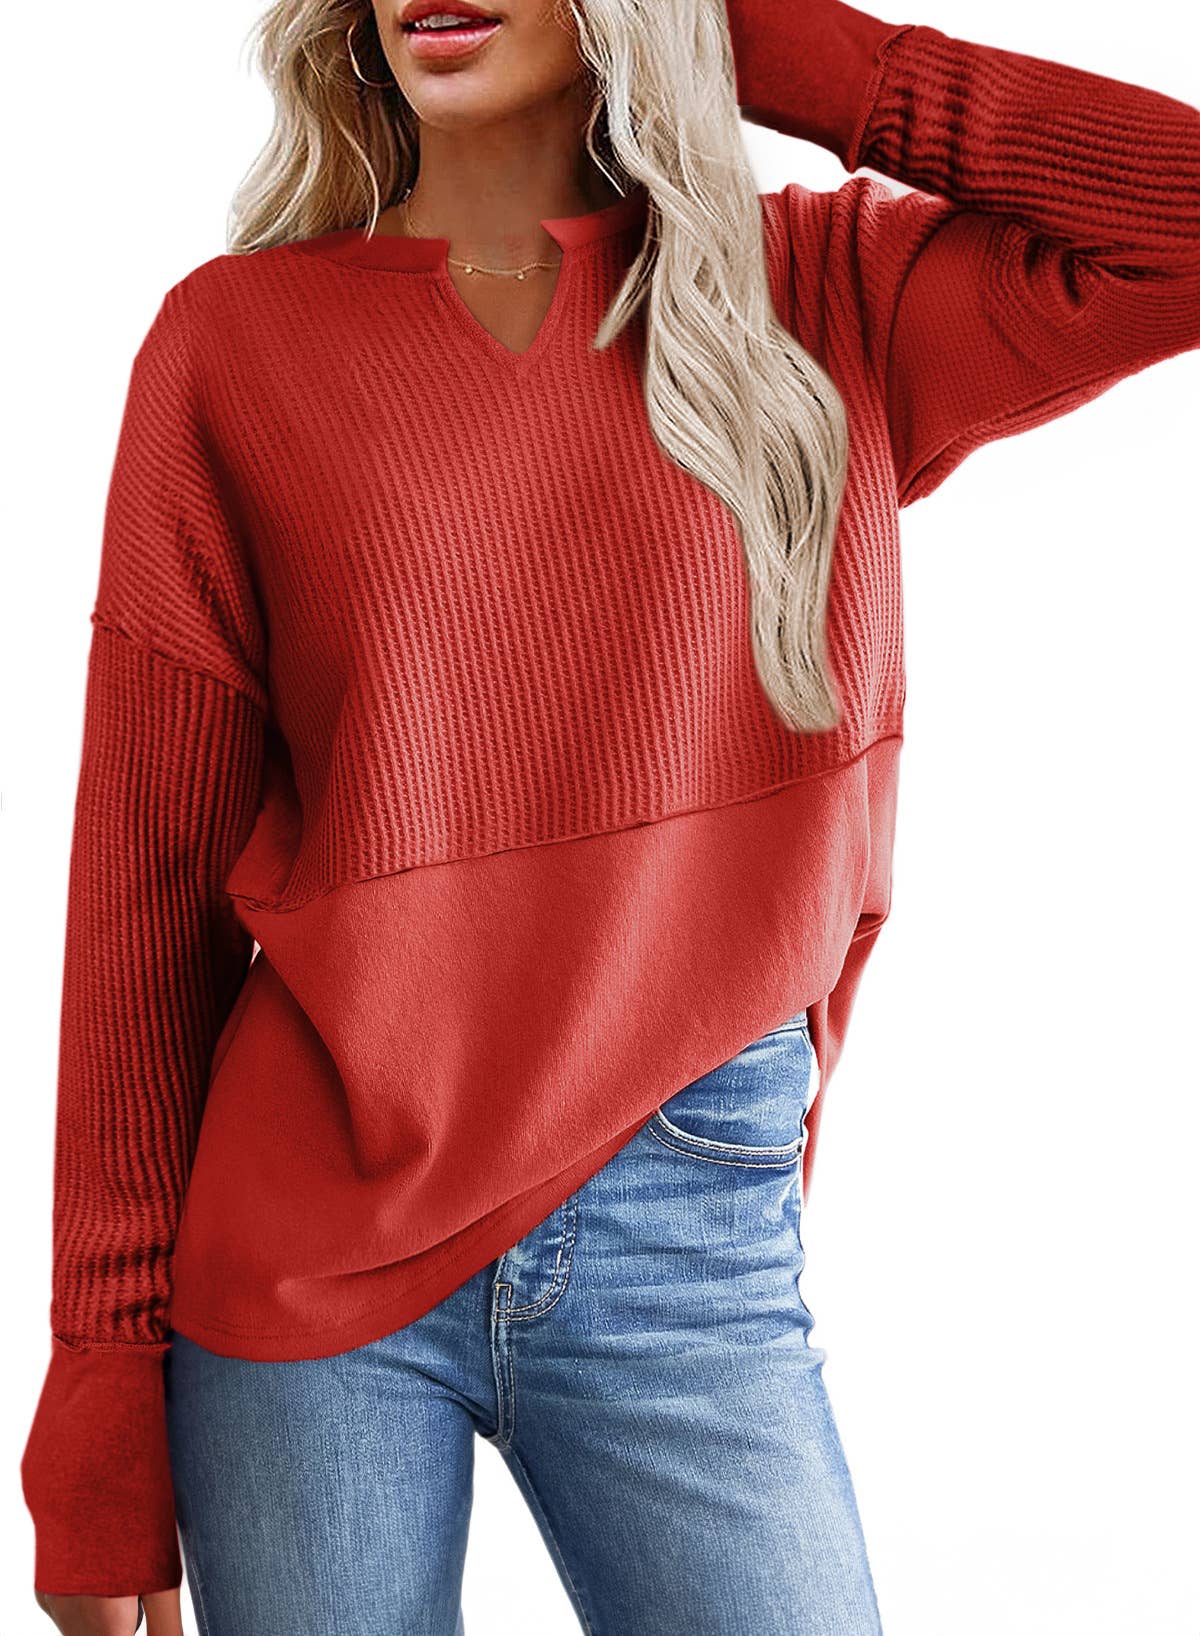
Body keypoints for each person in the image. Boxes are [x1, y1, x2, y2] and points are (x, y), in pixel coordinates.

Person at [20, 0, 1199, 1631]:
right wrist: (98, 1378)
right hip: (302, 1250)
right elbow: (142, 895)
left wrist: (780, 47)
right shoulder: (237, 343)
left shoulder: (815, 301)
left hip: (687, 1237)